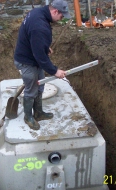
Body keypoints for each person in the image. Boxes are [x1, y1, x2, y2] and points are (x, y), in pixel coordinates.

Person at [14, 0, 71, 130]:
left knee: (40, 85)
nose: (61, 19)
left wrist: (44, 47)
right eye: (61, 16)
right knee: (31, 90)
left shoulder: (39, 12)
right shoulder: (39, 25)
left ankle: (38, 113)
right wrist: (55, 70)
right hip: (27, 62)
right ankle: (28, 117)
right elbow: (40, 56)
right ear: (55, 11)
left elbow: (35, 41)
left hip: (32, 57)